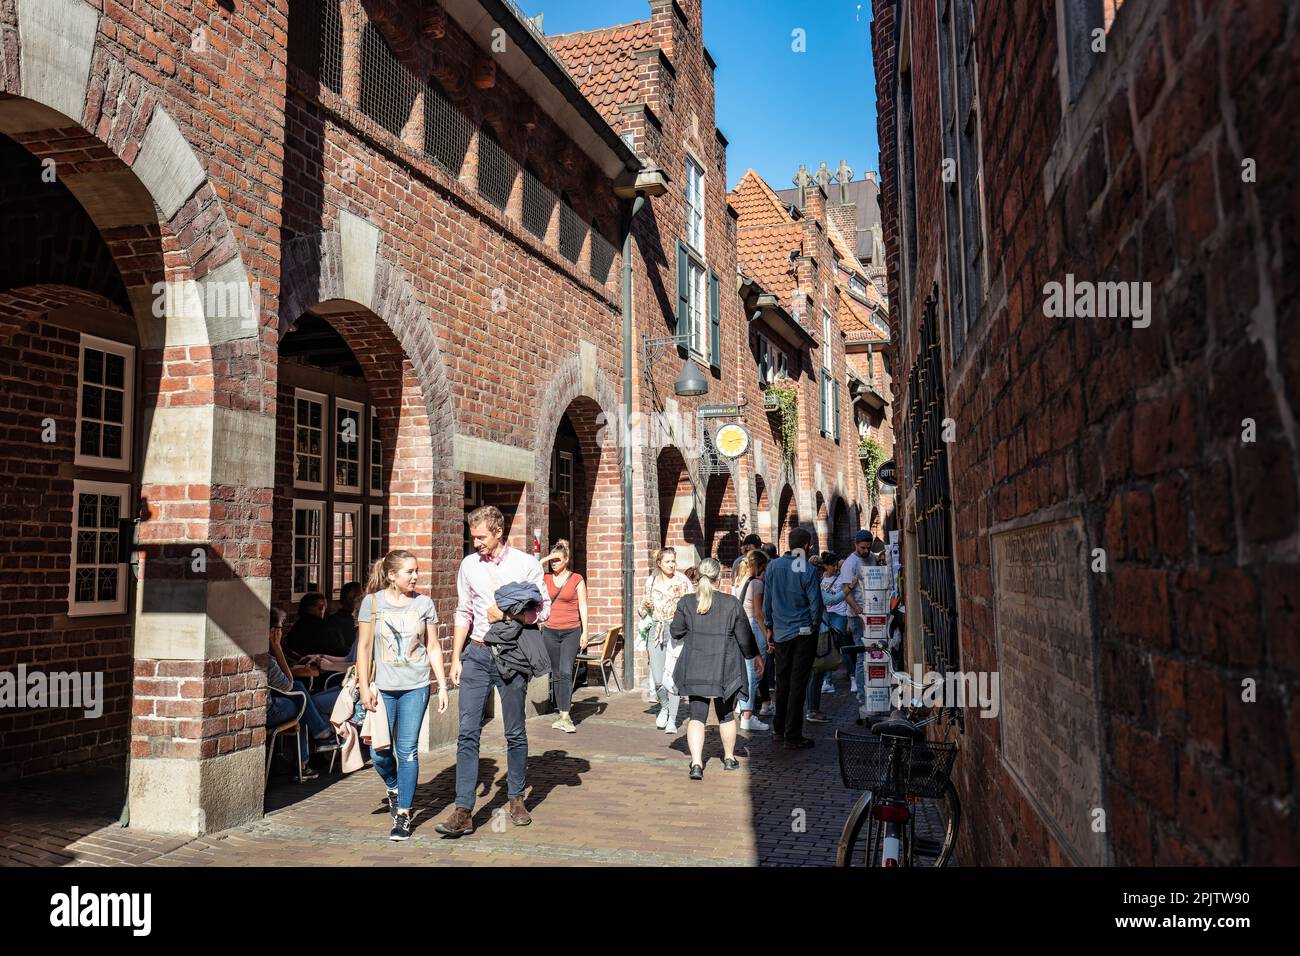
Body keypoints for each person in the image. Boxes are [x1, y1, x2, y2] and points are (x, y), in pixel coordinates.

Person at [436, 505, 550, 838]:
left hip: (512, 654)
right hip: (477, 652)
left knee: (514, 730)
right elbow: (462, 610)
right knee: (467, 731)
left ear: (498, 532)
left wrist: (506, 616)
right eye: (473, 537)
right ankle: (463, 810)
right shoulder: (469, 565)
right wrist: (455, 657)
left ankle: (516, 798)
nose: (476, 543)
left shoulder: (526, 564)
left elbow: (542, 611)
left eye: (481, 537)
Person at [356, 550, 449, 842]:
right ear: (392, 575)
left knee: (407, 751)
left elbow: (432, 646)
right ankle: (394, 786)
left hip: (416, 686)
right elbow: (364, 648)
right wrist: (363, 686)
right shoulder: (372, 603)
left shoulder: (424, 604)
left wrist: (443, 684)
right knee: (379, 752)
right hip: (382, 688)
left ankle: (404, 815)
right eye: (409, 571)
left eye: (416, 571)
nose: (416, 576)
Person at [669, 559, 762, 779]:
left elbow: (676, 631)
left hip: (696, 665)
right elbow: (744, 637)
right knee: (726, 714)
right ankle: (729, 758)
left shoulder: (687, 602)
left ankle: (696, 763)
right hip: (725, 667)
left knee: (697, 715)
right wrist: (755, 656)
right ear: (718, 577)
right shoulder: (731, 603)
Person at [762, 527, 823, 749]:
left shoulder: (773, 567)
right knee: (798, 683)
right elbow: (816, 606)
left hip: (780, 633)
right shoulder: (807, 569)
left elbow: (767, 602)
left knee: (782, 682)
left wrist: (769, 627)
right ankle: (793, 734)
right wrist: (815, 626)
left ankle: (779, 729)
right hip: (802, 632)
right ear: (806, 546)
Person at [266, 607, 336, 781]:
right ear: (274, 632)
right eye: (281, 627)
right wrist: (277, 648)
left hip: (266, 703)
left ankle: (306, 758)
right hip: (268, 710)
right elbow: (288, 684)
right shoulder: (268, 658)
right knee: (301, 701)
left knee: (300, 694)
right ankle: (317, 742)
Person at [640, 547, 693, 735]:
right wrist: (645, 606)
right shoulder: (651, 580)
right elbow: (641, 611)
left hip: (676, 629)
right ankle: (664, 706)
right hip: (656, 630)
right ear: (659, 563)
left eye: (673, 561)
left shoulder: (683, 581)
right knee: (657, 678)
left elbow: (692, 605)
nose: (671, 564)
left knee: (672, 677)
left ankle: (672, 720)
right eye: (668, 561)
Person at [541, 539, 587, 734]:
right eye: (552, 561)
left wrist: (586, 631)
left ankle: (566, 715)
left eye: (558, 560)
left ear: (567, 560)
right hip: (550, 630)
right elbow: (534, 567)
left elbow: (582, 606)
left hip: (571, 630)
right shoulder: (545, 578)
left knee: (566, 671)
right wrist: (550, 555)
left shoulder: (577, 579)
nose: (554, 563)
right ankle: (561, 712)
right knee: (556, 672)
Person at [835, 530, 874, 712]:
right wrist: (857, 610)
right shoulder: (850, 563)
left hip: (873, 612)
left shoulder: (872, 557)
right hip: (857, 614)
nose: (866, 551)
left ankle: (873, 687)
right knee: (861, 653)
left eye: (868, 547)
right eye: (863, 547)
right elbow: (845, 590)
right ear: (856, 545)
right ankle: (861, 692)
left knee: (875, 651)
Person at [734, 550, 772, 731]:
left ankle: (742, 706)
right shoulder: (757, 584)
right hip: (754, 628)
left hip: (741, 627)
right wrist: (767, 634)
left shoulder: (740, 581)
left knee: (746, 670)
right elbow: (758, 614)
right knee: (756, 671)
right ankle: (747, 715)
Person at [805, 552, 844, 725]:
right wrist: (849, 588)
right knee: (817, 672)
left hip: (806, 632)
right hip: (819, 632)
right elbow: (831, 599)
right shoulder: (816, 589)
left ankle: (811, 708)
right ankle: (813, 710)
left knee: (811, 673)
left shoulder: (803, 588)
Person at [286, 592, 348, 660]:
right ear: (321, 608)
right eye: (323, 607)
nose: (323, 610)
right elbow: (340, 649)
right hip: (324, 665)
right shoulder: (324, 628)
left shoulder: (297, 627)